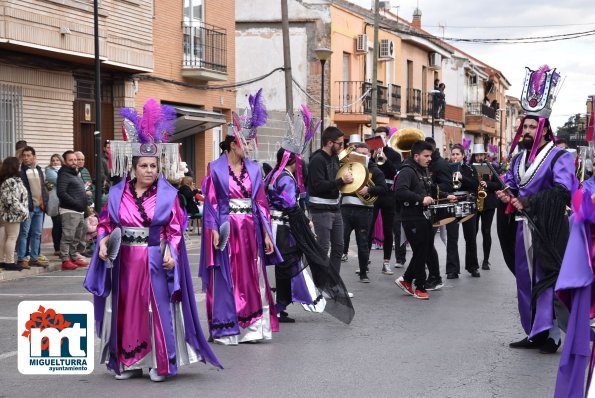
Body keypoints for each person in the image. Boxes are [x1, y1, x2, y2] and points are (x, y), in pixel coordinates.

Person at [84, 98, 221, 381]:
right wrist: (102, 241)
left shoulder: (169, 196)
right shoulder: (115, 195)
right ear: (133, 168)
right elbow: (106, 224)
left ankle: (159, 362)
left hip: (155, 259)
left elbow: (174, 229)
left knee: (154, 308)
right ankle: (128, 361)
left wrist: (171, 249)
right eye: (143, 166)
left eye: (153, 166)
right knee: (126, 309)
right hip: (125, 261)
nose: (149, 170)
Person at [496, 65, 577, 354]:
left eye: (532, 127)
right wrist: (507, 195)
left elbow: (563, 191)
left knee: (548, 279)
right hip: (521, 228)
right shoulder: (518, 159)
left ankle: (552, 333)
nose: (526, 131)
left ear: (543, 130)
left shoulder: (560, 157)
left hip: (548, 229)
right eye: (525, 126)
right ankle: (533, 331)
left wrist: (529, 201)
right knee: (524, 280)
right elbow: (513, 185)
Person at [199, 89, 282, 345]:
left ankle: (253, 325)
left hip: (249, 229)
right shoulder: (215, 168)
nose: (250, 147)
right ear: (234, 143)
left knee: (250, 275)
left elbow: (261, 204)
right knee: (225, 275)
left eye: (251, 142)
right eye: (246, 143)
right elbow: (211, 202)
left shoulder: (255, 169)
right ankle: (225, 325)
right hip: (225, 229)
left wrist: (267, 233)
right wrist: (213, 228)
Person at [265, 106, 354, 324]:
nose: (300, 165)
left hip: (279, 226)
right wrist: (304, 225)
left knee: (286, 265)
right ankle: (283, 304)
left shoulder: (274, 174)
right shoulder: (285, 178)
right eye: (298, 161)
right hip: (284, 228)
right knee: (290, 264)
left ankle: (281, 305)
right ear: (292, 161)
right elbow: (289, 205)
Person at [394, 139, 437, 300]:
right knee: (421, 250)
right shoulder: (407, 171)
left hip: (423, 215)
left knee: (423, 251)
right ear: (416, 156)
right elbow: (400, 192)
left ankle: (406, 279)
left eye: (430, 156)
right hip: (411, 216)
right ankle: (420, 286)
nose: (429, 159)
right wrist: (420, 199)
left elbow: (429, 189)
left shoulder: (422, 170)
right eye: (426, 156)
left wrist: (447, 196)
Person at [308, 126, 352, 278]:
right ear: (329, 143)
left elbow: (334, 182)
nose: (342, 147)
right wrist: (341, 180)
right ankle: (321, 284)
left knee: (339, 247)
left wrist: (347, 181)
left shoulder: (334, 158)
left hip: (335, 207)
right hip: (320, 209)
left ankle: (334, 283)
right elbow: (318, 185)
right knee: (323, 248)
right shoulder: (317, 159)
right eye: (340, 143)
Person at [341, 143, 387, 282]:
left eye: (365, 153)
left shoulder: (375, 170)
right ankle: (334, 276)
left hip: (364, 210)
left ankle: (363, 273)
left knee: (363, 242)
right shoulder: (347, 168)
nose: (362, 156)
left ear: (369, 155)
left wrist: (369, 190)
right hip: (346, 209)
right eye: (358, 153)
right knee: (340, 241)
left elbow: (383, 188)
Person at [366, 126, 404, 272]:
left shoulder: (394, 154)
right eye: (377, 137)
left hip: (388, 194)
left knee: (388, 230)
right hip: (373, 193)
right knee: (369, 228)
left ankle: (386, 262)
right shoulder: (371, 153)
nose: (380, 140)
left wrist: (385, 160)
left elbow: (395, 172)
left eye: (382, 137)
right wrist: (372, 158)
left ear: (387, 137)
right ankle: (365, 261)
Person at [445, 144, 481, 279]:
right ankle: (452, 269)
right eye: (453, 154)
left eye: (457, 154)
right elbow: (443, 184)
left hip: (467, 202)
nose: (455, 157)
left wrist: (462, 177)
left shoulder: (470, 168)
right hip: (452, 202)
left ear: (463, 155)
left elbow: (476, 184)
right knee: (452, 237)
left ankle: (473, 266)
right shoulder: (447, 168)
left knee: (470, 236)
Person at [425, 137, 455, 289]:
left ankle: (435, 277)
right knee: (425, 243)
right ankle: (430, 275)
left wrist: (429, 186)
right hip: (427, 207)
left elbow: (447, 185)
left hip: (437, 208)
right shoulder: (428, 164)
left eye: (426, 155)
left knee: (428, 243)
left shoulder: (441, 164)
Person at [17, 146, 48, 269]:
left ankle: (34, 258)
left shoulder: (39, 170)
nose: (26, 158)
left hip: (39, 207)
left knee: (37, 233)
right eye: (24, 155)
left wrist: (44, 203)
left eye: (29, 155)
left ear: (34, 157)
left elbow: (43, 188)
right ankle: (22, 259)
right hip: (28, 208)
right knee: (24, 233)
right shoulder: (20, 172)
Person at [57, 151, 89, 270]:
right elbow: (61, 193)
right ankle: (65, 260)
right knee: (68, 236)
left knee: (76, 237)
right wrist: (75, 203)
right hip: (70, 211)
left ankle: (73, 257)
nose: (74, 162)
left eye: (75, 160)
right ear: (65, 162)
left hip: (79, 211)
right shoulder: (64, 174)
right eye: (71, 160)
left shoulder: (75, 173)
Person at [470, 146, 499, 270]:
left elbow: (498, 184)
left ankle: (486, 260)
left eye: (481, 155)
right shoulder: (470, 168)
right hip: (475, 202)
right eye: (477, 155)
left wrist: (488, 184)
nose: (479, 157)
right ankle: (473, 261)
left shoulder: (491, 167)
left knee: (486, 232)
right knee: (473, 232)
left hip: (489, 203)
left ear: (485, 155)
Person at [0, 157, 29, 271]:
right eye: (19, 165)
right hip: (13, 214)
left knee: (7, 237)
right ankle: (9, 262)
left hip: (12, 213)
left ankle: (3, 260)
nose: (20, 167)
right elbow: (10, 200)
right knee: (12, 237)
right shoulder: (10, 181)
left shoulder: (12, 180)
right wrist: (23, 210)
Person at [45, 154, 63, 256]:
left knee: (62, 225)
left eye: (57, 160)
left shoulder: (64, 170)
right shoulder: (49, 171)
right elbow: (59, 181)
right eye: (53, 160)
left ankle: (62, 247)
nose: (55, 162)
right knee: (56, 225)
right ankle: (57, 248)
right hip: (55, 202)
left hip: (64, 202)